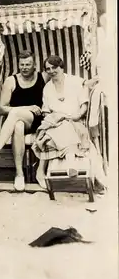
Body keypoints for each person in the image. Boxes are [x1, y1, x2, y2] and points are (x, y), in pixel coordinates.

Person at [32, 55, 106, 191]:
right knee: (55, 128)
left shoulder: (75, 82)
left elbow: (84, 106)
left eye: (54, 67)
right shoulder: (47, 88)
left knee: (66, 127)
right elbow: (46, 110)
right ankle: (62, 165)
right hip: (55, 121)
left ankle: (46, 170)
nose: (51, 71)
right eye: (48, 69)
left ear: (61, 67)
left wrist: (74, 117)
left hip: (75, 119)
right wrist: (54, 119)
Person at [0, 51, 47, 191]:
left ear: (34, 65)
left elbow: (60, 75)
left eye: (28, 64)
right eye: (22, 64)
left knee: (16, 115)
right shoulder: (11, 80)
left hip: (36, 120)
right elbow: (1, 109)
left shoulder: (42, 77)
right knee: (18, 125)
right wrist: (28, 107)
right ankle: (19, 174)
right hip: (15, 122)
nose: (25, 67)